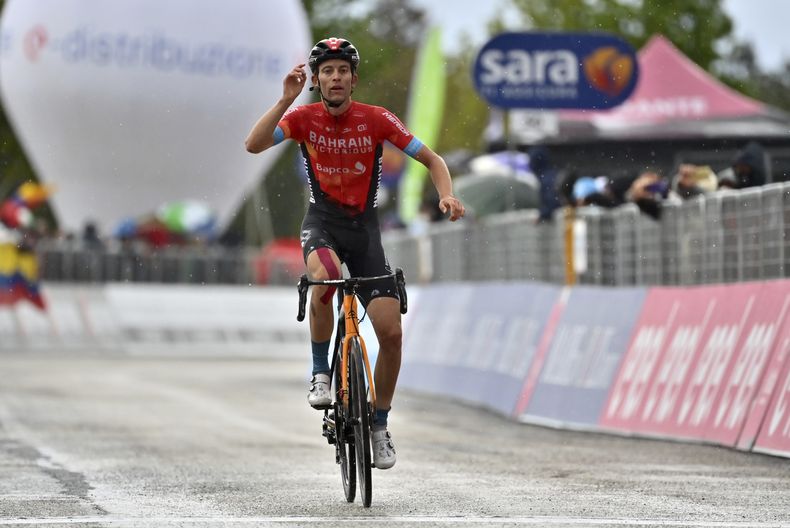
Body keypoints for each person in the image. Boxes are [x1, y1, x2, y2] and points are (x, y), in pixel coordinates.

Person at [244, 37, 465, 469]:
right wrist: (285, 100)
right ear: (318, 81)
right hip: (322, 225)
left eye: (342, 70)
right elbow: (253, 145)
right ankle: (321, 373)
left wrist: (447, 196)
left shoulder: (377, 120)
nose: (335, 77)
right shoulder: (303, 118)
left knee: (392, 335)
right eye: (327, 71)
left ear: (353, 79)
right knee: (323, 279)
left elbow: (434, 160)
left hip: (365, 234)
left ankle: (379, 425)